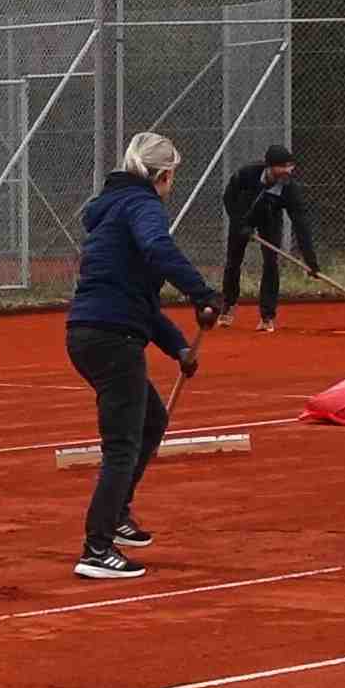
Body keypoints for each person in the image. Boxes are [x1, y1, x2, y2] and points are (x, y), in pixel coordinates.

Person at [67, 129, 222, 583]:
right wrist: (201, 293)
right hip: (113, 339)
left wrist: (178, 348)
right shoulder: (142, 207)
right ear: (163, 175)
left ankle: (116, 517)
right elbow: (159, 250)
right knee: (122, 446)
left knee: (151, 421)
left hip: (93, 333)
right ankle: (97, 547)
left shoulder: (113, 208)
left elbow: (141, 304)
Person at [219, 143, 315, 332]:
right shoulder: (247, 174)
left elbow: (300, 223)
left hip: (270, 219)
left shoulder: (290, 189)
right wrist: (240, 224)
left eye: (290, 166)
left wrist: (310, 260)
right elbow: (228, 197)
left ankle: (267, 316)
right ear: (269, 166)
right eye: (283, 166)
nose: (288, 170)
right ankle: (229, 304)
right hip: (243, 215)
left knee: (271, 263)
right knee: (233, 261)